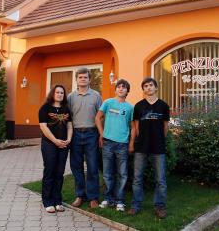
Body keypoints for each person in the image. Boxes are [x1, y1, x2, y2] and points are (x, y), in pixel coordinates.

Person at [128, 77, 170, 219]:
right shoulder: (138, 106)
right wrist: (133, 143)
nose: (148, 88)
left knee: (160, 180)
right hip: (141, 148)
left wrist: (160, 140)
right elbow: (136, 127)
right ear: (143, 89)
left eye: (151, 85)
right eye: (145, 86)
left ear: (156, 88)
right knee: (137, 178)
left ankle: (160, 206)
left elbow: (165, 127)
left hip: (158, 148)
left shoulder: (163, 106)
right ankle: (136, 205)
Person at [95, 79, 133, 212]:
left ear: (127, 91)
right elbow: (97, 118)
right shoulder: (108, 102)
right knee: (107, 173)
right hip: (108, 143)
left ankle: (120, 201)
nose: (121, 89)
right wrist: (101, 134)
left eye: (124, 87)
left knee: (122, 174)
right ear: (115, 89)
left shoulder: (130, 107)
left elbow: (133, 126)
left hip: (122, 144)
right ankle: (108, 198)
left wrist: (131, 142)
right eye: (119, 87)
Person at [68, 67, 102, 209]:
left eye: (85, 77)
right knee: (76, 166)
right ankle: (80, 195)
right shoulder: (70, 97)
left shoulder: (96, 96)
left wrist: (101, 134)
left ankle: (93, 197)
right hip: (75, 134)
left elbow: (101, 116)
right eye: (80, 77)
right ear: (76, 79)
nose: (83, 79)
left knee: (93, 166)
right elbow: (67, 117)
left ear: (89, 79)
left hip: (91, 134)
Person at [39, 84, 73, 213]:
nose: (60, 94)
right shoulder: (45, 108)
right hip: (49, 144)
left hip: (64, 144)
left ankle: (57, 200)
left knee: (59, 173)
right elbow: (43, 127)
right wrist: (55, 141)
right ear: (52, 93)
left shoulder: (66, 109)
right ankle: (47, 201)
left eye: (62, 93)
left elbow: (70, 126)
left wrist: (69, 139)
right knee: (50, 171)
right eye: (57, 92)